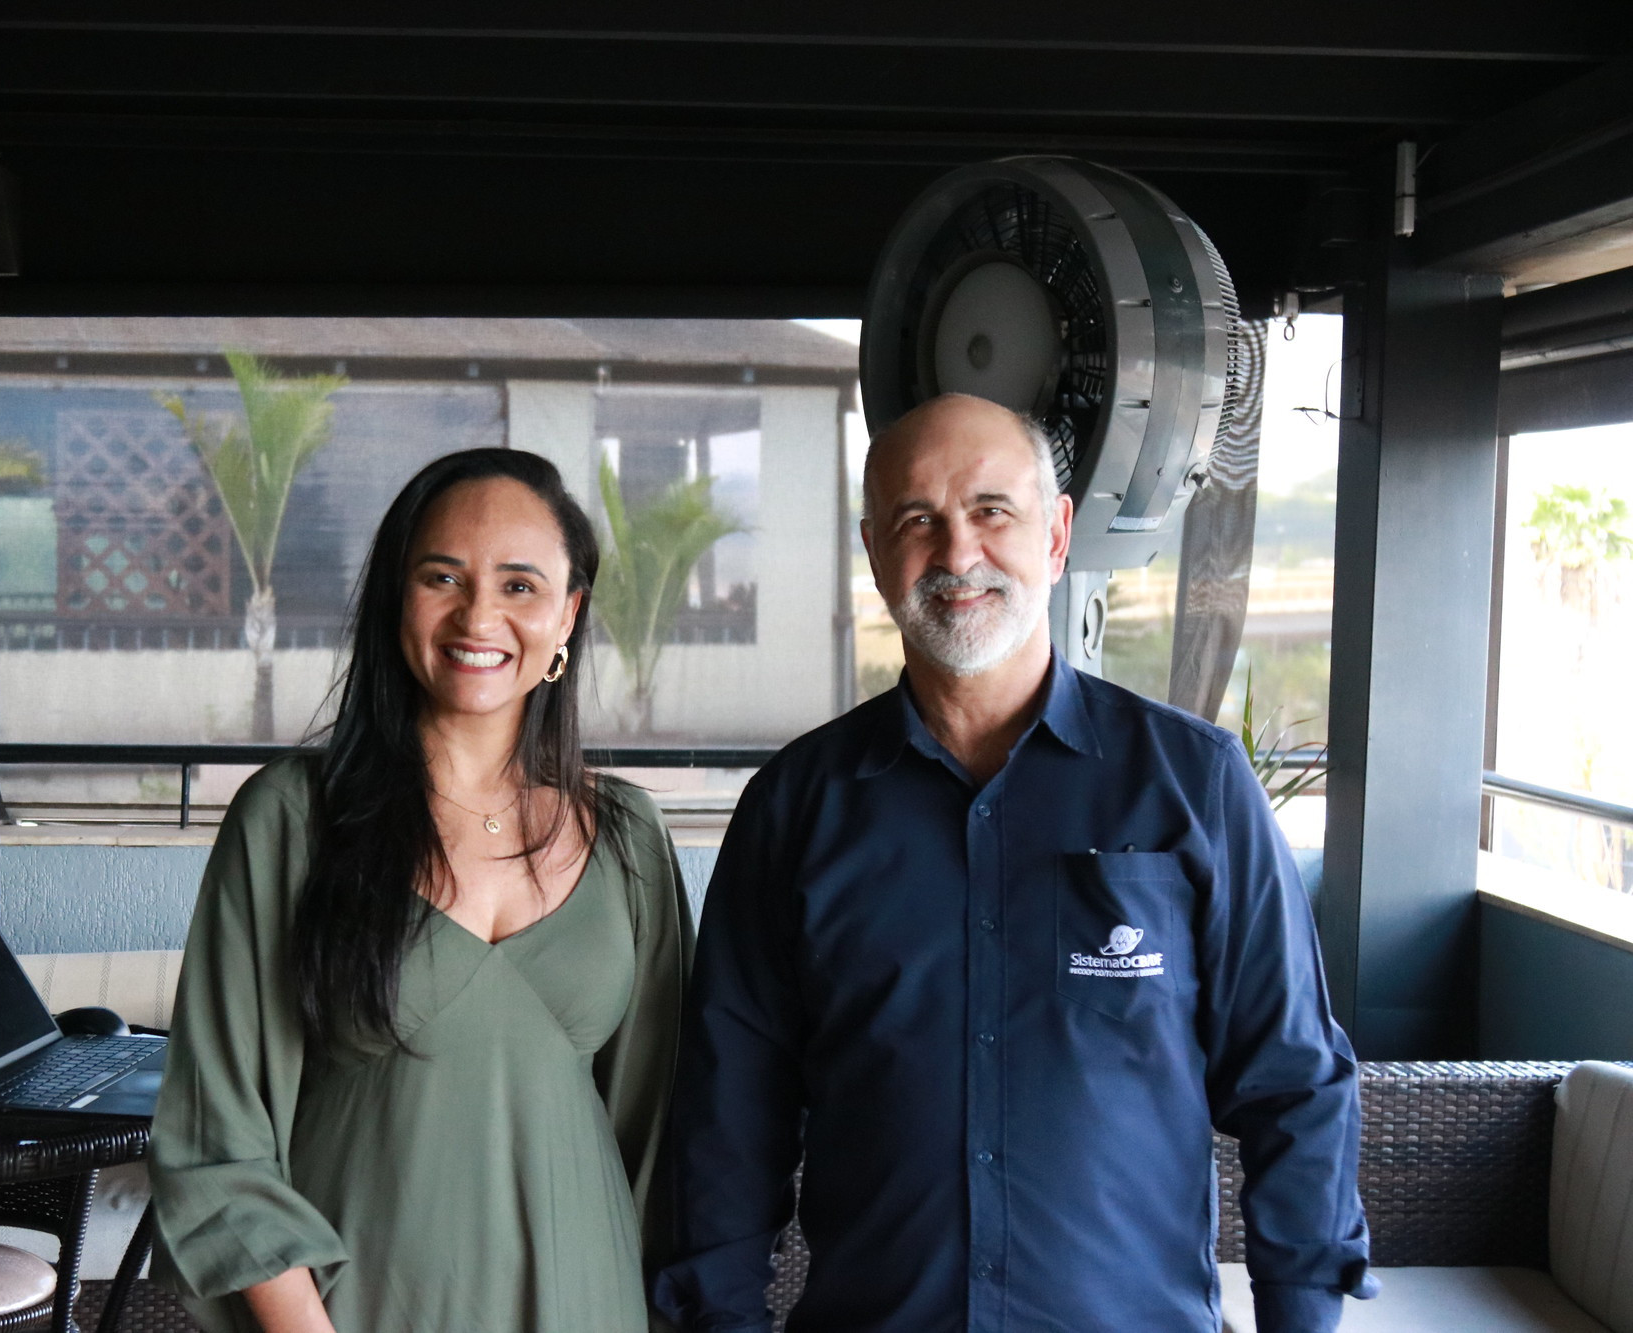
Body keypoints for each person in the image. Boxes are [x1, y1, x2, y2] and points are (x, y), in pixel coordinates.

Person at [653, 394, 1372, 1333]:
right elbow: (727, 1118)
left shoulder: (1192, 785)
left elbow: (1295, 1080)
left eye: (993, 510)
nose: (957, 554)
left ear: (1058, 532)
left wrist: (1302, 1315)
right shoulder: (796, 808)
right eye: (919, 520)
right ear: (875, 552)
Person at [150, 448, 692, 1333]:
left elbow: (662, 1130)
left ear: (569, 615)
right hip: (354, 1308)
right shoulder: (290, 818)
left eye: (521, 585)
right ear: (396, 598)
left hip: (582, 1296)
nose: (479, 613)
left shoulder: (630, 839)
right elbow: (217, 1135)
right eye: (443, 575)